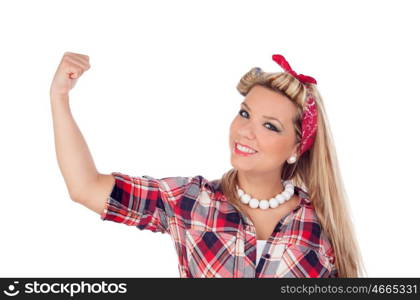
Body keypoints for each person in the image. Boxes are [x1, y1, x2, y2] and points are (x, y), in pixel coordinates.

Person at [50, 52, 366, 278]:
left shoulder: (321, 226)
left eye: (269, 126)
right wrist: (60, 97)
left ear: (297, 147)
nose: (246, 131)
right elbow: (85, 187)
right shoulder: (192, 201)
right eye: (245, 114)